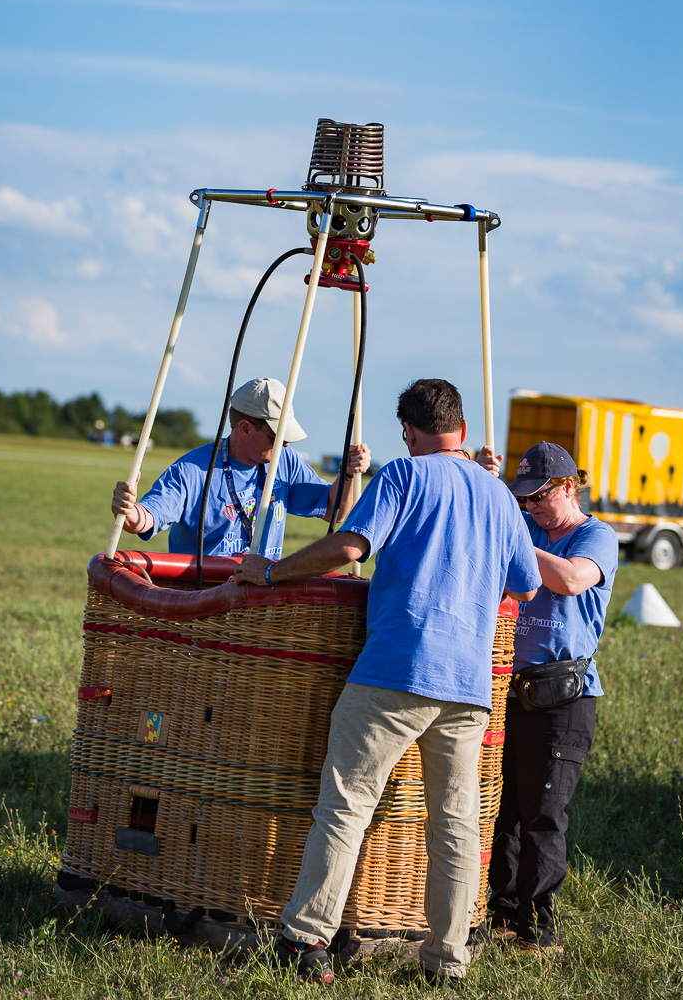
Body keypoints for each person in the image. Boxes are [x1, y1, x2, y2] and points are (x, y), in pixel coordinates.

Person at [233, 379, 541, 983]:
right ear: (463, 430)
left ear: (409, 431)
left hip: (397, 670)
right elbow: (525, 585)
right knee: (455, 824)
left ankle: (305, 938)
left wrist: (271, 572)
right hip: (469, 685)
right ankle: (447, 961)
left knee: (345, 807)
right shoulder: (501, 497)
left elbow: (350, 547)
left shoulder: (404, 475)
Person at [477, 440, 618, 955]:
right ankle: (502, 910)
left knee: (543, 812)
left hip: (563, 696)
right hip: (512, 687)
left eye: (538, 497)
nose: (531, 507)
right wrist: (491, 493)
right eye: (524, 500)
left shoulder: (596, 536)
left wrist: (513, 535)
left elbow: (570, 578)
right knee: (504, 807)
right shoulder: (531, 527)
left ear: (566, 487)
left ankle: (541, 927)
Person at [111, 377, 371, 559]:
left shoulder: (285, 460)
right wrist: (129, 511)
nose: (286, 444)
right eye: (276, 437)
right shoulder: (191, 470)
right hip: (202, 597)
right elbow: (145, 519)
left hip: (259, 599)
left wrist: (348, 473)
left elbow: (333, 510)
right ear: (245, 428)